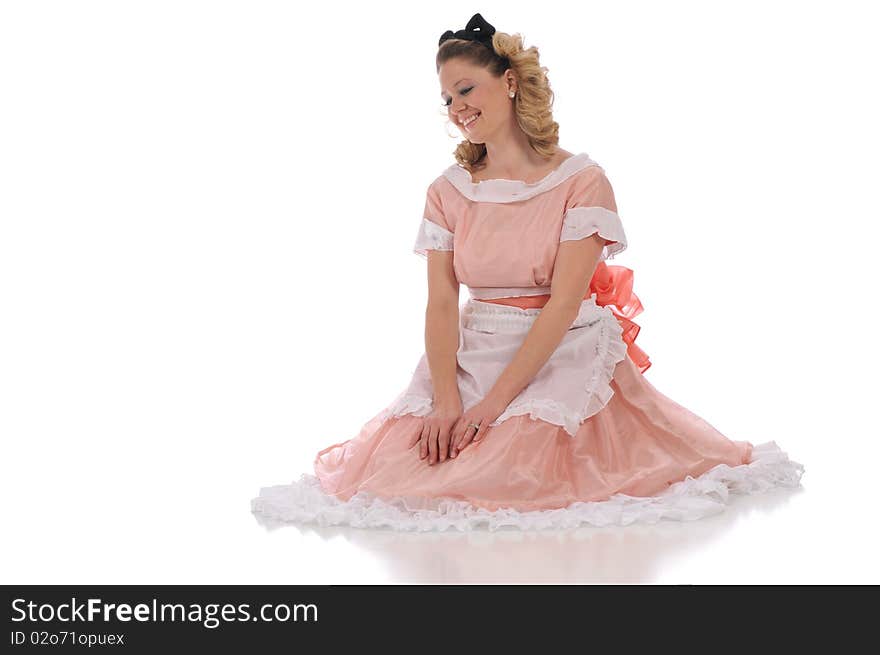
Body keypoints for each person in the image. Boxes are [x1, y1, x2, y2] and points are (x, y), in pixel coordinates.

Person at [251, 13, 804, 531]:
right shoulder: (447, 192)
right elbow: (441, 303)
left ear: (510, 83)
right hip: (474, 349)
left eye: (466, 89)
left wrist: (492, 407)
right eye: (446, 98)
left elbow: (563, 304)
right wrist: (449, 399)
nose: (456, 108)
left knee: (512, 466)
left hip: (560, 349)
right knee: (407, 468)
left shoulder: (581, 182)